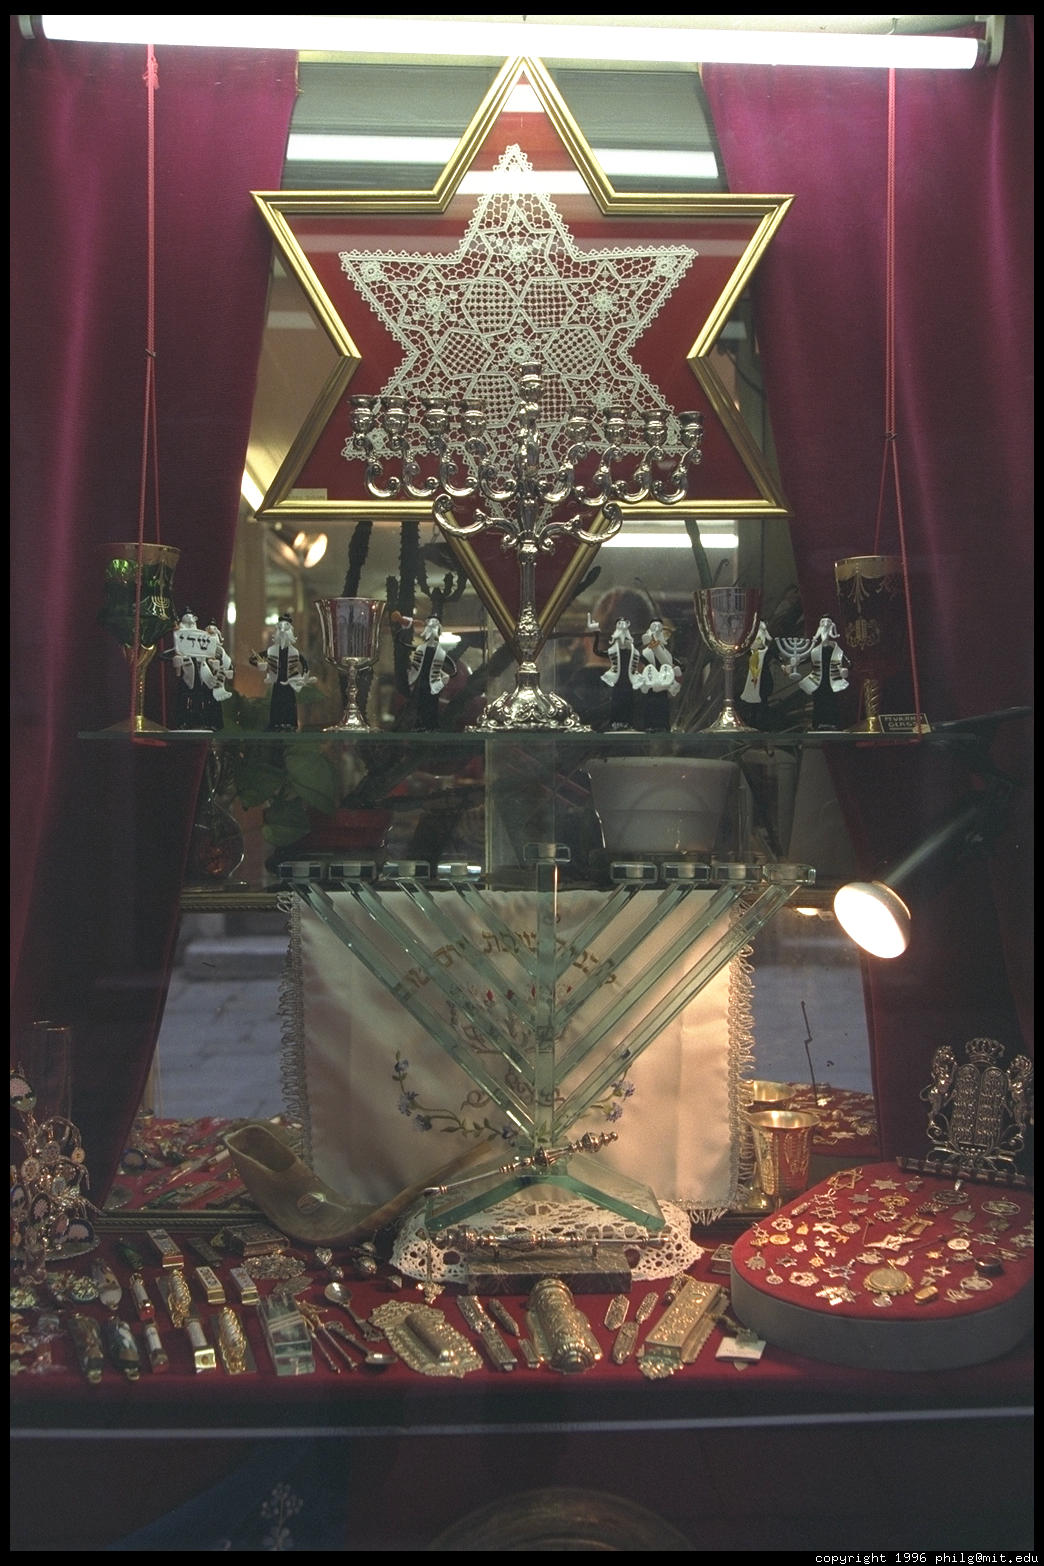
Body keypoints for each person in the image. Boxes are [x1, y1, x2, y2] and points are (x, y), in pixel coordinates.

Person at [249, 613, 317, 732]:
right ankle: (276, 723)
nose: (282, 631)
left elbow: (304, 663)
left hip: (290, 680)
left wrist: (304, 676)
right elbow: (252, 659)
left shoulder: (294, 652)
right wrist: (260, 665)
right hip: (277, 680)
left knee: (289, 703)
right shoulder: (272, 651)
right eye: (280, 628)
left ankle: (290, 723)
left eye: (285, 628)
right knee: (276, 702)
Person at [165, 611, 232, 730]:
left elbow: (218, 660)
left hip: (202, 674)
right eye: (187, 621)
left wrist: (214, 664)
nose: (191, 623)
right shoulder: (181, 640)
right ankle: (183, 722)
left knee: (204, 698)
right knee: (184, 697)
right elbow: (170, 655)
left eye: (192, 621)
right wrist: (177, 660)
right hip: (187, 674)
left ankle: (205, 721)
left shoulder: (204, 642)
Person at [634, 619, 681, 731]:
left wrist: (676, 669)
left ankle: (662, 725)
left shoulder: (665, 652)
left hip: (664, 682)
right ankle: (650, 725)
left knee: (662, 705)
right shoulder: (646, 652)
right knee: (650, 704)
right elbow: (642, 661)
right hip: (651, 682)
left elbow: (670, 663)